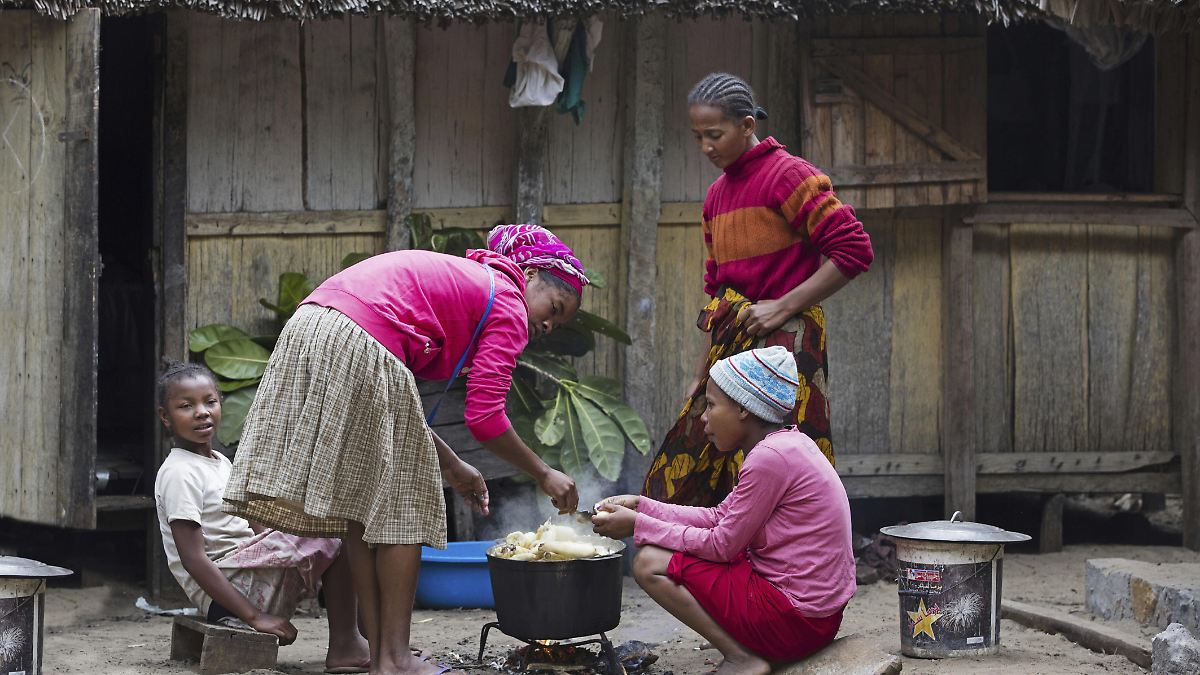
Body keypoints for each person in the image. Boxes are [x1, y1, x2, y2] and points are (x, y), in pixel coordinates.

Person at [223, 223, 588, 675]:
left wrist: (453, 465)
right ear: (529, 275)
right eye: (554, 308)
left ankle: (370, 653)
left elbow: (401, 410)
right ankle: (394, 658)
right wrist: (544, 474)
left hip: (316, 325)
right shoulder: (508, 301)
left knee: (360, 506)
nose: (548, 325)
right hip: (355, 334)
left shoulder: (472, 285)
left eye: (558, 324)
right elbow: (485, 418)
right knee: (406, 508)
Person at [643, 72, 874, 507]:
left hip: (784, 347)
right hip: (730, 343)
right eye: (697, 137)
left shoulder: (789, 176)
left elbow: (854, 250)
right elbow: (717, 293)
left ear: (747, 125)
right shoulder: (715, 196)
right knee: (695, 461)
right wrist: (699, 373)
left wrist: (782, 307)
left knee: (776, 465)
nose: (705, 147)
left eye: (715, 135)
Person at [594, 347, 855, 674]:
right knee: (689, 552)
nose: (703, 417)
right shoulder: (789, 444)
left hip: (797, 622)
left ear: (743, 408)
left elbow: (722, 545)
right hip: (816, 617)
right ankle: (747, 648)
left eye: (712, 405)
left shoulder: (770, 458)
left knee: (649, 563)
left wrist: (639, 526)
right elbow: (720, 517)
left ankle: (742, 658)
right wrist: (643, 506)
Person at [153, 362, 371, 674]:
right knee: (335, 531)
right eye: (186, 406)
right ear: (165, 417)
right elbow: (193, 559)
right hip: (230, 592)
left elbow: (256, 524)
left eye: (209, 402)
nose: (201, 412)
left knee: (334, 526)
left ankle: (365, 638)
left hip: (247, 576)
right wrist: (255, 617)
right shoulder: (179, 473)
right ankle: (348, 645)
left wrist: (295, 548)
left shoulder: (220, 462)